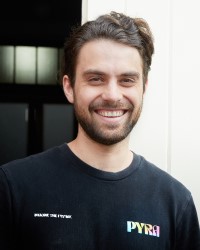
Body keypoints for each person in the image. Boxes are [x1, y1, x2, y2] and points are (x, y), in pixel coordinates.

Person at [0, 11, 199, 250]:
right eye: (96, 79)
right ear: (69, 87)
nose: (112, 95)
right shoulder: (13, 187)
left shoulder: (175, 203)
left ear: (143, 88)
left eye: (127, 80)